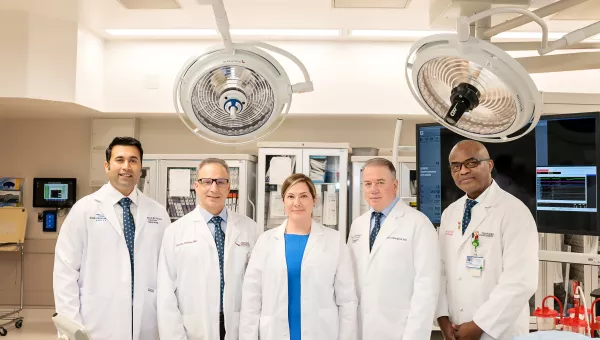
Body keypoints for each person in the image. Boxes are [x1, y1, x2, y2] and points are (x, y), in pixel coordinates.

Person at [53, 136, 171, 340]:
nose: (127, 166)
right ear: (107, 166)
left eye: (133, 160)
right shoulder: (84, 210)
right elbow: (65, 271)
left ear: (141, 167)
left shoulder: (158, 214)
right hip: (96, 320)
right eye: (120, 160)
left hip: (146, 319)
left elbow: (168, 271)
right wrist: (71, 327)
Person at [436, 140, 538, 340]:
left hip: (498, 332)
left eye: (471, 163)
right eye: (456, 166)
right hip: (456, 328)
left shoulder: (514, 212)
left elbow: (520, 281)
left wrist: (479, 325)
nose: (463, 171)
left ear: (489, 165)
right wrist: (442, 318)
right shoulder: (450, 213)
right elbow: (440, 270)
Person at [239, 173, 357, 340]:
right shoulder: (265, 241)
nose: (297, 203)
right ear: (283, 201)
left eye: (303, 196)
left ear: (314, 200)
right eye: (291, 196)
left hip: (321, 332)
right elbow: (251, 298)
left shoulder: (334, 240)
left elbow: (347, 301)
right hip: (274, 332)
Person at [157, 158, 258, 340]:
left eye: (220, 182)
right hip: (194, 328)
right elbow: (166, 294)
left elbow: (257, 287)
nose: (214, 188)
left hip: (238, 326)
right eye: (207, 181)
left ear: (228, 187)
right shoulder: (175, 232)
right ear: (196, 185)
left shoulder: (250, 229)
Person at [347, 157, 440, 339]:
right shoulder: (358, 225)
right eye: (368, 183)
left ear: (395, 185)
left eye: (380, 182)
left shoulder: (418, 223)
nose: (373, 189)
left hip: (399, 330)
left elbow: (427, 288)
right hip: (361, 329)